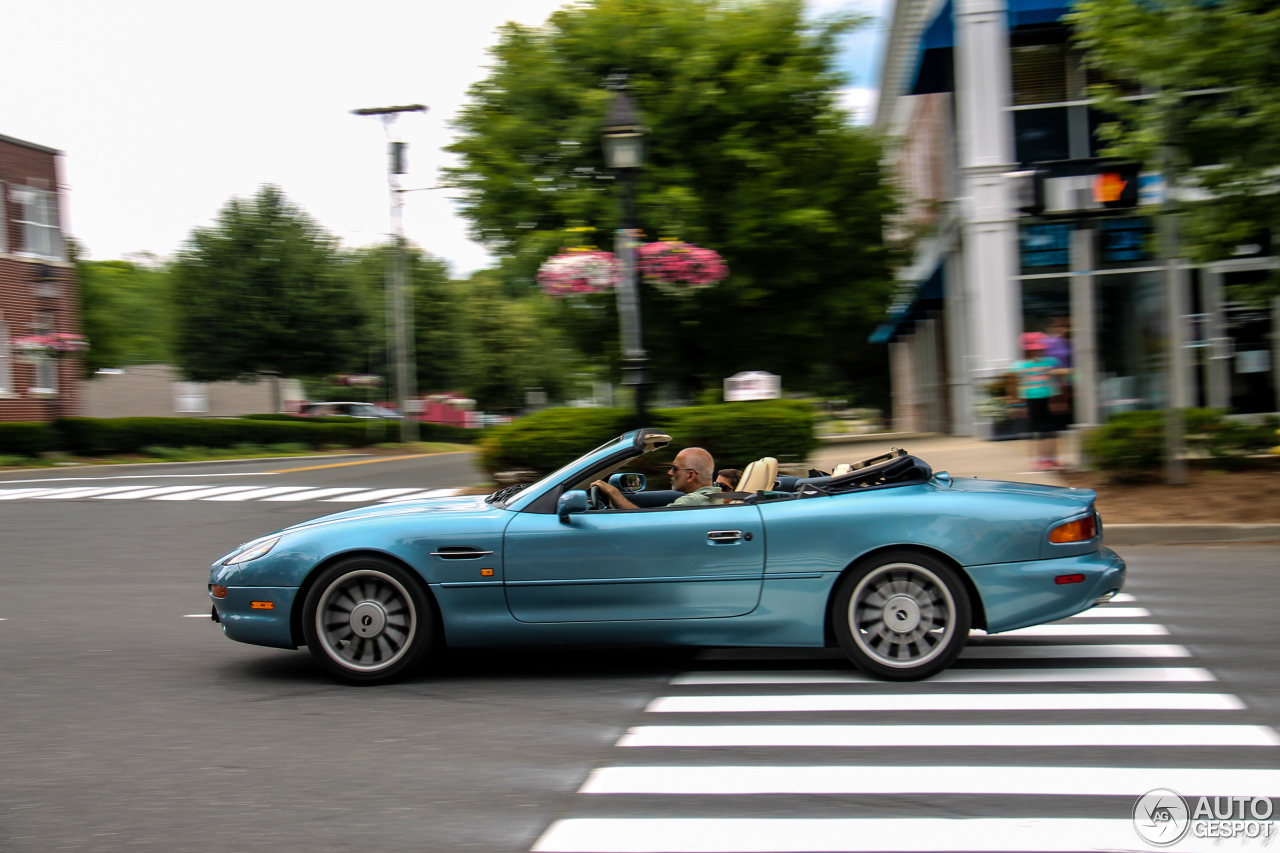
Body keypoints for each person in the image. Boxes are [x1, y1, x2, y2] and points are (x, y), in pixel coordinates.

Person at [591, 447, 723, 509]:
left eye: (675, 469)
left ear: (690, 475)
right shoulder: (713, 497)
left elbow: (646, 522)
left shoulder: (693, 501)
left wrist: (613, 492)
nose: (670, 473)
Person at [1009, 331, 1065, 471]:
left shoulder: (1045, 363)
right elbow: (1012, 381)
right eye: (1035, 349)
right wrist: (1014, 401)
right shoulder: (1025, 365)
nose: (1038, 351)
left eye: (1039, 349)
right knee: (1039, 429)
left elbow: (1059, 374)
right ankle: (1041, 459)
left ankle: (1049, 459)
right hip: (1034, 400)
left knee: (1048, 429)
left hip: (1046, 399)